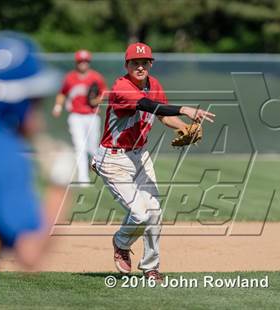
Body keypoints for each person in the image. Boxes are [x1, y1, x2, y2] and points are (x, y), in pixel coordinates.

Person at [92, 42, 215, 281]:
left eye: (144, 62)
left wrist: (183, 127)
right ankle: (121, 242)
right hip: (114, 159)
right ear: (126, 65)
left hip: (140, 155)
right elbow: (147, 105)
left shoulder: (154, 84)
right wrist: (184, 110)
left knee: (155, 213)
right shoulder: (121, 86)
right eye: (134, 63)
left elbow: (162, 116)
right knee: (139, 214)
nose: (140, 66)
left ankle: (151, 267)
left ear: (151, 64)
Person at [0, 31, 73, 296]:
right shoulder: (0, 149)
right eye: (33, 99)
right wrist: (60, 183)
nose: (38, 107)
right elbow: (30, 253)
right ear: (11, 101)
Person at [52, 50, 107, 184]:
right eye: (80, 61)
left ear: (89, 62)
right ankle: (83, 178)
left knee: (92, 148)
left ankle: (92, 167)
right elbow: (62, 93)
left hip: (92, 116)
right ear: (77, 62)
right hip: (75, 116)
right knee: (79, 146)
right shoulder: (69, 77)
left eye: (85, 61)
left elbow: (105, 93)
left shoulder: (96, 77)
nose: (83, 63)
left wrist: (97, 100)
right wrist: (58, 106)